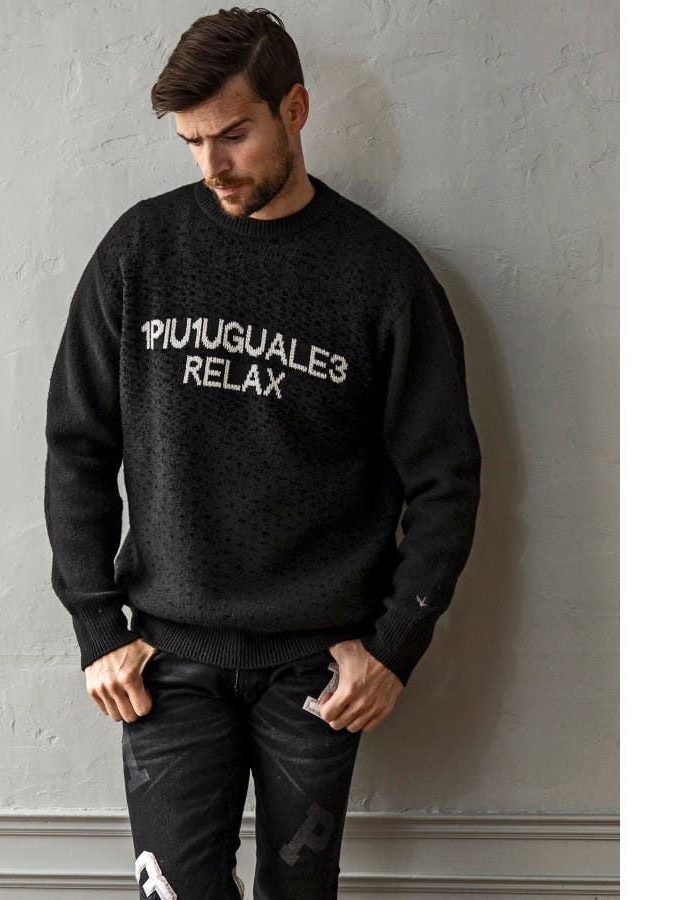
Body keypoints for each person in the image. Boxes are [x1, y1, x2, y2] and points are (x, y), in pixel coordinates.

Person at [43, 7, 482, 899]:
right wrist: (97, 630)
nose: (212, 165)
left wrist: (394, 646)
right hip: (167, 661)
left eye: (233, 134)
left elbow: (446, 481)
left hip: (318, 668)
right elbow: (77, 448)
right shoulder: (140, 251)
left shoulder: (382, 276)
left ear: (295, 110)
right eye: (192, 142)